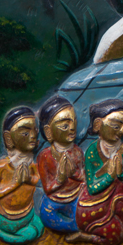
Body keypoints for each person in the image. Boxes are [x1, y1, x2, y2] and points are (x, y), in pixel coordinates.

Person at [75, 99, 123, 245]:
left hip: (119, 199)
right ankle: (95, 234)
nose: (122, 131)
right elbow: (92, 187)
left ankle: (99, 235)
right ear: (98, 125)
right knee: (84, 215)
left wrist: (121, 173)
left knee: (122, 220)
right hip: (96, 201)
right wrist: (110, 176)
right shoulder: (92, 151)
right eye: (116, 126)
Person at [0, 106, 44, 244]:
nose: (33, 136)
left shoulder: (31, 165)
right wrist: (16, 183)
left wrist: (29, 179)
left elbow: (38, 180)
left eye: (35, 131)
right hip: (7, 218)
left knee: (40, 228)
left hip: (28, 215)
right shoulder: (2, 167)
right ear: (9, 138)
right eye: (25, 133)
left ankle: (20, 231)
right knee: (30, 235)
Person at [36, 94, 86, 237]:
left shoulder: (77, 152)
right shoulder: (45, 156)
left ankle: (78, 225)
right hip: (54, 200)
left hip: (76, 197)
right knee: (47, 216)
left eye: (74, 122)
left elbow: (84, 179)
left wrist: (74, 174)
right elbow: (47, 188)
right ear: (48, 131)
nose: (72, 128)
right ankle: (75, 226)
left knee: (87, 210)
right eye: (65, 125)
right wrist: (61, 178)